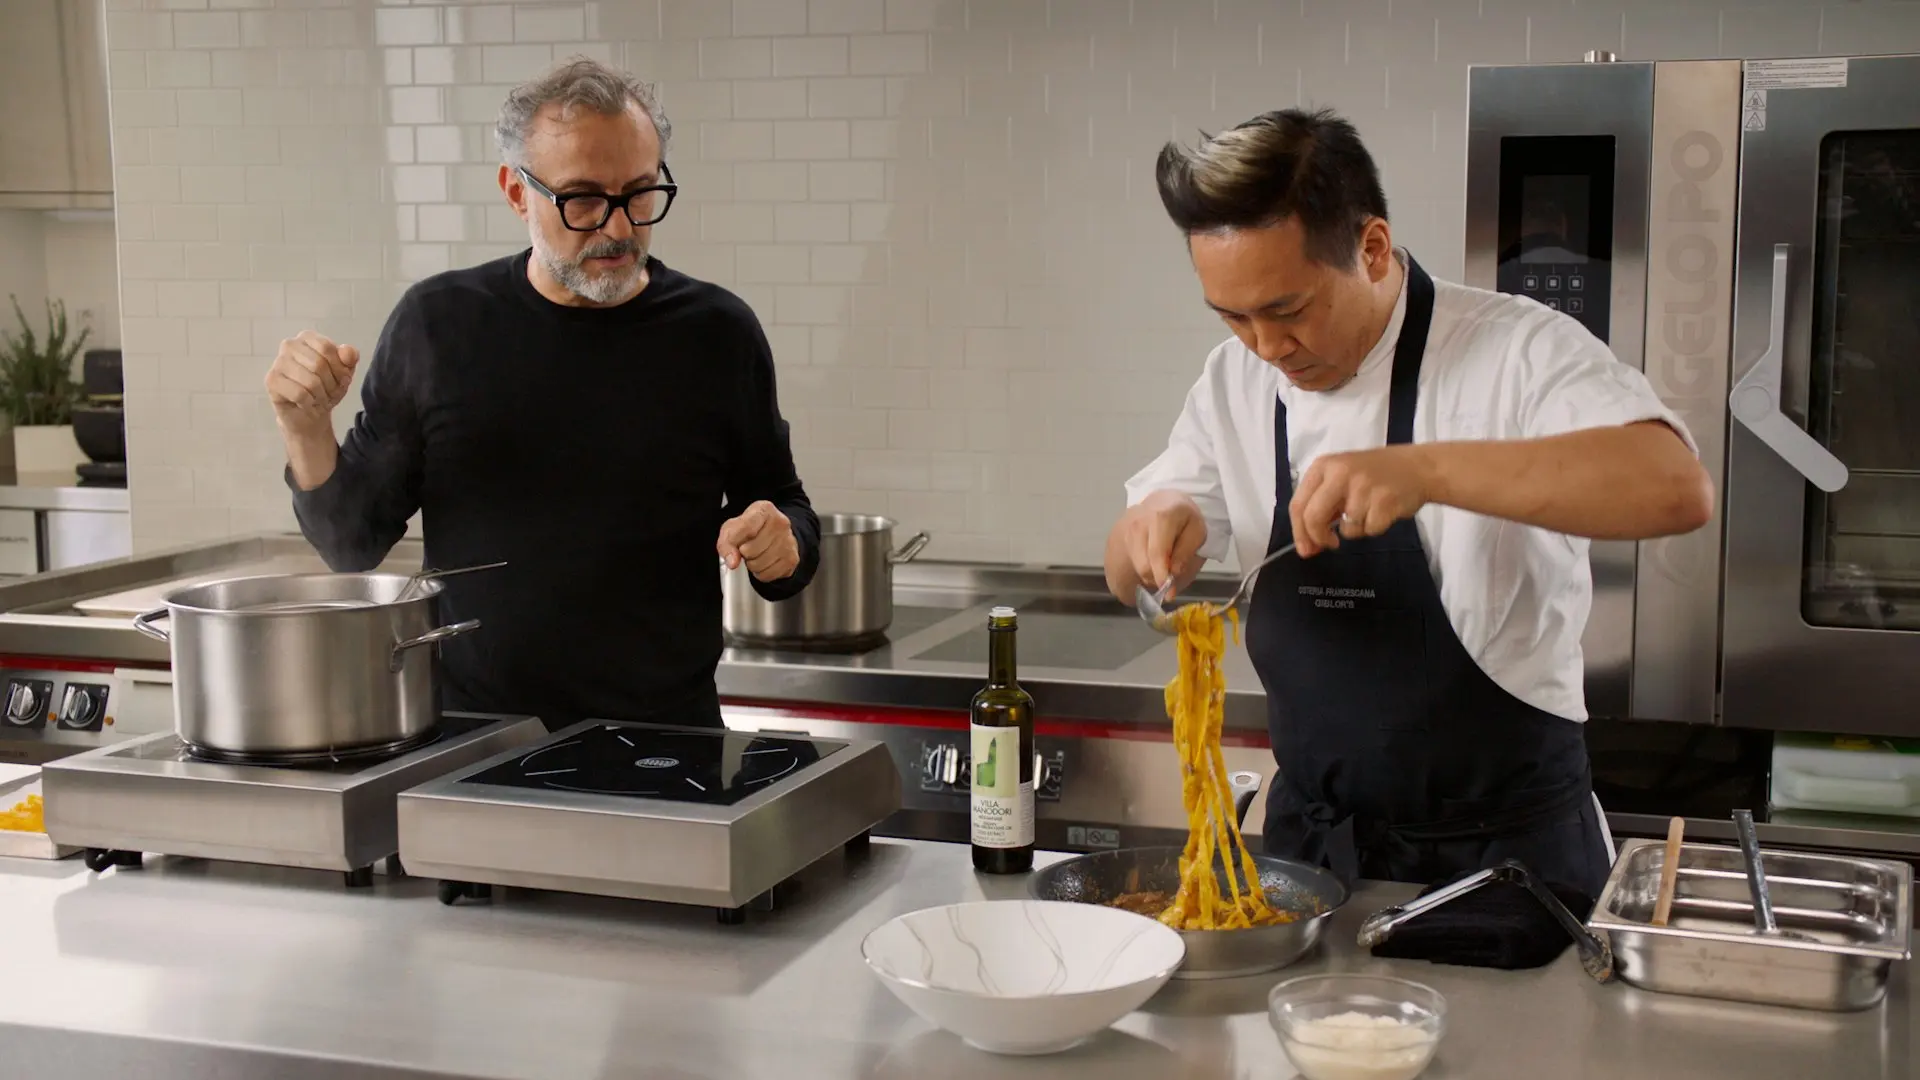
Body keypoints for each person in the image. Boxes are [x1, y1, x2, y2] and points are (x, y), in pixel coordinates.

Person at [1103, 108, 1713, 898]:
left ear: (1373, 248)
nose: (1265, 346)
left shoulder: (1517, 350)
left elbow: (1674, 487)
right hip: (1313, 867)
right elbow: (1123, 573)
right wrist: (1148, 533)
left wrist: (1426, 471)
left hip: (1508, 869)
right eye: (1232, 315)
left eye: (1287, 310)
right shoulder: (1235, 379)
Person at [263, 59, 820, 729]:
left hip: (669, 748)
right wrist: (305, 427)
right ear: (516, 191)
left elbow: (786, 510)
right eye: (583, 197)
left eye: (640, 193)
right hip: (473, 748)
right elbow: (349, 544)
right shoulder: (438, 326)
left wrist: (784, 543)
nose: (618, 229)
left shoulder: (717, 333)